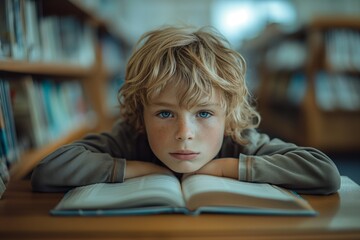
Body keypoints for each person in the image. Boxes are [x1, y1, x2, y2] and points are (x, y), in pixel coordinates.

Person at [31, 26, 341, 194]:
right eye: (165, 113)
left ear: (228, 116)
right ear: (141, 115)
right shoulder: (130, 138)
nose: (184, 134)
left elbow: (324, 173)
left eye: (204, 114)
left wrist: (225, 167)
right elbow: (48, 171)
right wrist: (141, 169)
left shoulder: (239, 140)